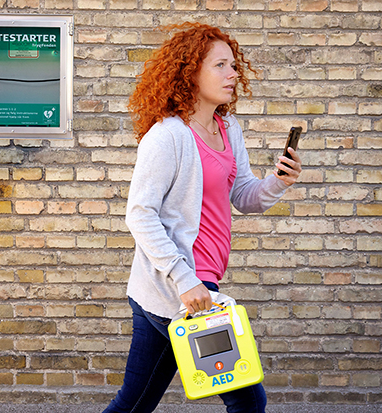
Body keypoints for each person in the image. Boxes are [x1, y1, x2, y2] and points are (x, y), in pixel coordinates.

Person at [103, 22, 302, 413]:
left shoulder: (228, 128)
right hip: (182, 290)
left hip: (186, 288)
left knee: (134, 404)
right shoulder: (167, 136)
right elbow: (140, 214)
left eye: (234, 66)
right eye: (220, 66)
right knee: (248, 399)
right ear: (190, 72)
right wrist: (185, 279)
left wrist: (278, 182)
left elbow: (243, 196)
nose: (233, 74)